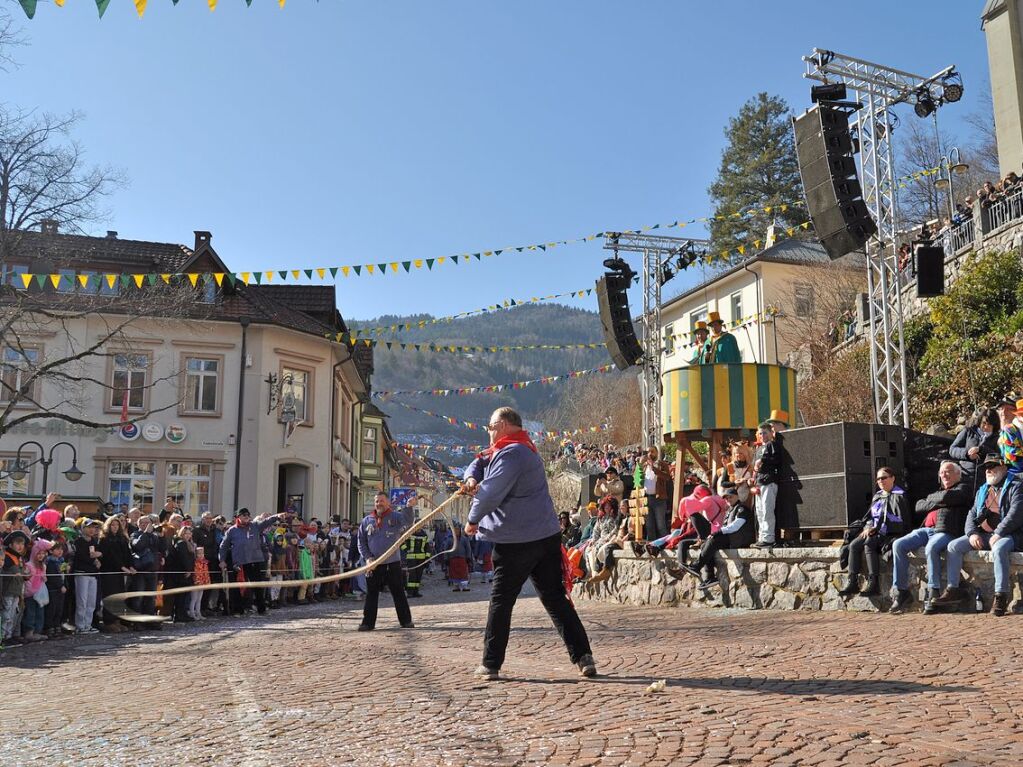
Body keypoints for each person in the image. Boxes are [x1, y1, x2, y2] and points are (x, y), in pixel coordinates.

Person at [463, 406, 596, 681]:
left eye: (489, 428)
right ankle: (583, 656)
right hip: (545, 536)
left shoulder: (511, 454)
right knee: (555, 599)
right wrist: (471, 477)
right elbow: (480, 461)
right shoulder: (521, 447)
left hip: (516, 540)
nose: (488, 434)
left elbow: (490, 494)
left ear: (500, 425)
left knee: (501, 600)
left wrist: (473, 519)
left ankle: (490, 663)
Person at [932, 455, 1023, 616]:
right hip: (982, 534)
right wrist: (972, 533)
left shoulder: (1016, 486)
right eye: (986, 467)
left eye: (993, 466)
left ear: (1003, 468)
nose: (988, 470)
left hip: (1008, 534)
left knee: (1000, 548)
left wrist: (999, 533)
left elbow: (1016, 514)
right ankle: (953, 589)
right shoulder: (983, 489)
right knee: (953, 546)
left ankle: (1000, 596)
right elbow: (971, 514)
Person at [888, 461, 972, 615]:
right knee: (898, 545)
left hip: (946, 531)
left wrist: (934, 500)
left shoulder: (963, 489)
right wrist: (940, 501)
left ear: (957, 474)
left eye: (948, 471)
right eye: (941, 473)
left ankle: (933, 591)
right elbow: (919, 505)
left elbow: (947, 496)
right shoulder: (938, 492)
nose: (944, 475)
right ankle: (901, 591)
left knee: (931, 547)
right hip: (926, 530)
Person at [838, 467, 908, 597]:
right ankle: (852, 582)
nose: (880, 481)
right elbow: (870, 516)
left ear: (893, 478)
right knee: (853, 545)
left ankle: (873, 582)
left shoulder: (899, 495)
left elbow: (900, 519)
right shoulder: (878, 496)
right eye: (878, 479)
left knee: (869, 543)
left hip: (890, 532)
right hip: (873, 530)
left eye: (884, 477)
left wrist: (876, 528)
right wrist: (867, 527)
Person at [674, 483, 755, 588]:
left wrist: (718, 532)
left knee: (713, 539)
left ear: (737, 496)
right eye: (726, 498)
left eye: (731, 497)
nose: (728, 500)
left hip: (739, 540)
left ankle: (696, 566)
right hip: (731, 539)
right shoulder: (730, 510)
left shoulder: (741, 509)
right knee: (707, 543)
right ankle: (710, 577)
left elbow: (736, 526)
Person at [357, 492, 414, 631]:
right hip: (373, 564)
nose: (379, 504)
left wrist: (409, 507)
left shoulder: (396, 517)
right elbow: (361, 541)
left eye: (381, 501)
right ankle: (367, 623)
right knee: (371, 594)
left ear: (388, 503)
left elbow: (408, 523)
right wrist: (368, 557)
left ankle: (406, 621)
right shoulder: (367, 520)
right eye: (377, 501)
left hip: (392, 563)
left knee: (398, 593)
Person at [219, 508, 281, 617]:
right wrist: (222, 560)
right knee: (237, 586)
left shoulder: (255, 526)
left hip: (254, 560)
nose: (246, 516)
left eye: (247, 514)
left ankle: (261, 608)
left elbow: (266, 522)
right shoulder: (232, 530)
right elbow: (224, 546)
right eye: (243, 515)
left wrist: (277, 516)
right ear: (238, 517)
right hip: (239, 562)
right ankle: (238, 610)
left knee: (257, 585)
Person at [97, 516, 134, 632]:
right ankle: (109, 622)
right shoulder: (104, 539)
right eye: (113, 525)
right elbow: (110, 556)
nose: (115, 527)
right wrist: (122, 567)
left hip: (120, 573)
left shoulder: (122, 538)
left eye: (117, 525)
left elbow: (127, 554)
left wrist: (130, 566)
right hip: (109, 572)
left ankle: (117, 620)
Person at [950, 408, 1001, 491]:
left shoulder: (998, 438)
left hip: (985, 478)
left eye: (990, 425)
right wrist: (967, 454)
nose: (986, 427)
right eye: (984, 423)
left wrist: (981, 449)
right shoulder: (968, 431)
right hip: (965, 475)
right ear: (980, 421)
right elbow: (952, 449)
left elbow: (998, 456)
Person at [750, 422, 781, 548]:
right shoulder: (757, 450)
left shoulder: (772, 445)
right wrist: (752, 480)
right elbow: (755, 468)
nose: (762, 435)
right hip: (759, 482)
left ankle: (769, 537)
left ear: (770, 433)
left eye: (764, 432)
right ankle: (762, 537)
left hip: (769, 481)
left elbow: (777, 460)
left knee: (767, 510)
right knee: (760, 511)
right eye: (760, 433)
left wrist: (763, 460)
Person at [71, 518, 103, 634]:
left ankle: (88, 625)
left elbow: (98, 554)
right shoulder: (78, 541)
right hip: (81, 573)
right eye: (89, 527)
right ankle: (80, 625)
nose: (92, 530)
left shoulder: (94, 541)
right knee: (82, 601)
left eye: (93, 527)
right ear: (83, 528)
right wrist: (94, 559)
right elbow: (81, 556)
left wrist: (98, 557)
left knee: (91, 601)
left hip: (93, 574)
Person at [1, 530, 31, 645]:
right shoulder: (7, 556)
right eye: (17, 543)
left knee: (13, 615)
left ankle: (9, 636)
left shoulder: (19, 558)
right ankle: (3, 637)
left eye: (22, 544)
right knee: (6, 615)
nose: (20, 546)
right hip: (8, 591)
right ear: (11, 544)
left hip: (17, 591)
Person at [641, 446, 672, 542]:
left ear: (657, 453)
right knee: (649, 526)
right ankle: (652, 547)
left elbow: (667, 477)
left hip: (659, 499)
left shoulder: (662, 464)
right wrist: (639, 464)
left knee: (661, 525)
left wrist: (653, 467)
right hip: (647, 499)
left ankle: (666, 545)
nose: (650, 454)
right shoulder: (644, 466)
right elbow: (637, 479)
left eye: (652, 452)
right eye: (648, 452)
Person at [996, 395, 1023, 477]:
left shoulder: (1011, 429)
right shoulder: (1007, 430)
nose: (1003, 413)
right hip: (1013, 474)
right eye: (1001, 409)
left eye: (1008, 409)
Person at [402, 526, 430, 598]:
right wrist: (406, 550)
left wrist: (427, 557)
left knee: (418, 576)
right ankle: (410, 592)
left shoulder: (424, 535)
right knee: (412, 575)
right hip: (411, 558)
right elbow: (401, 543)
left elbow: (427, 547)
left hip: (421, 558)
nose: (419, 528)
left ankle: (416, 592)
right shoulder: (409, 533)